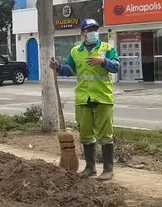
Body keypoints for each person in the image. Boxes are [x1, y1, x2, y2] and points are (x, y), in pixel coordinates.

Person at [48, 18, 120, 180]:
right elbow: (70, 69)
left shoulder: (107, 48)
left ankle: (108, 169)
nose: (93, 32)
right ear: (83, 34)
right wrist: (58, 67)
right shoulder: (76, 52)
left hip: (102, 97)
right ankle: (90, 167)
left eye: (95, 29)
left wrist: (103, 61)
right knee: (86, 134)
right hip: (83, 98)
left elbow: (116, 66)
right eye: (89, 30)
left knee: (106, 134)